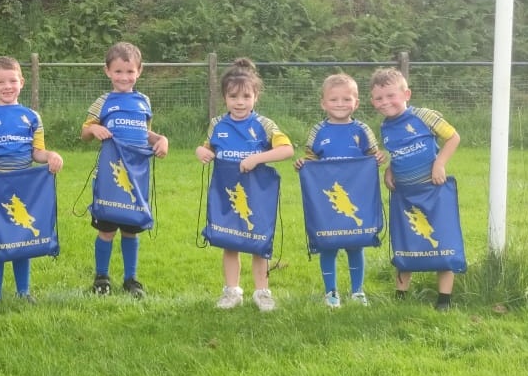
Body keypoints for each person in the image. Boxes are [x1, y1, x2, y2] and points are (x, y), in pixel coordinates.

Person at [195, 58, 294, 312]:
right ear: (224, 98)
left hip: (256, 194)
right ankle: (232, 292)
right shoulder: (218, 124)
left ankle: (262, 293)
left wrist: (257, 158)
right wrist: (201, 151)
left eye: (246, 96)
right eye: (233, 96)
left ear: (256, 97)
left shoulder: (264, 125)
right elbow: (208, 148)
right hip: (227, 193)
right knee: (230, 242)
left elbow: (287, 150)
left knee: (258, 242)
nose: (240, 102)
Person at [0, 56, 64, 309]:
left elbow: (37, 152)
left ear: (22, 82)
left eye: (12, 81)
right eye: (0, 82)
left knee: (22, 240)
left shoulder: (31, 117)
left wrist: (51, 156)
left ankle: (24, 292)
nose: (7, 86)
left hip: (24, 189)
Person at [81, 42, 169, 299]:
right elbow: (84, 133)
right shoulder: (103, 102)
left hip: (136, 176)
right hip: (110, 176)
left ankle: (131, 279)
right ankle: (101, 277)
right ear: (107, 71)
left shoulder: (143, 102)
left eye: (130, 71)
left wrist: (161, 140)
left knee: (131, 228)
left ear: (139, 71)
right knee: (107, 229)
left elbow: (145, 133)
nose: (124, 77)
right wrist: (93, 129)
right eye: (118, 71)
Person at [370, 68, 460, 311]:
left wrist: (439, 164)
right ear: (372, 101)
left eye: (391, 95)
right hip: (405, 195)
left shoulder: (423, 116)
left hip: (434, 192)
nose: (385, 102)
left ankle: (444, 300)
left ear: (406, 94)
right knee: (405, 243)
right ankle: (400, 297)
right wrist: (390, 170)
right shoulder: (385, 126)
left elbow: (453, 137)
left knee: (442, 242)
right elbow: (397, 152)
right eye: (379, 98)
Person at [294, 73, 385, 308]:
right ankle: (331, 292)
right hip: (329, 199)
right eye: (334, 100)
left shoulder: (362, 129)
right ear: (323, 103)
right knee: (328, 244)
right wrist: (303, 164)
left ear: (356, 102)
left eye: (347, 99)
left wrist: (377, 158)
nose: (340, 104)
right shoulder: (318, 130)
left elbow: (372, 156)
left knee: (356, 243)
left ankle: (357, 291)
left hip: (356, 196)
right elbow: (311, 159)